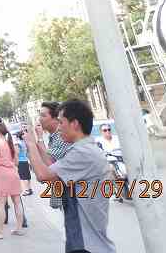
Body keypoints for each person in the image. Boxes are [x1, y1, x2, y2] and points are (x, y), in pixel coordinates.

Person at [23, 99, 117, 253]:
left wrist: (31, 145)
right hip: (84, 241)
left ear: (75, 124)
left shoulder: (82, 152)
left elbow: (43, 175)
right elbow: (52, 168)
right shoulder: (82, 149)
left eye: (61, 122)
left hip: (87, 244)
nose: (59, 127)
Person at [0, 120, 25, 239]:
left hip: (2, 175)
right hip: (13, 173)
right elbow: (16, 162)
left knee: (1, 204)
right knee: (17, 202)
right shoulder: (11, 144)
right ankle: (19, 228)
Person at [33, 101, 70, 209]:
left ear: (56, 118)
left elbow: (49, 165)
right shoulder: (53, 137)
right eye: (39, 115)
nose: (39, 119)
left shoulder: (61, 137)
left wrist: (38, 139)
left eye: (43, 115)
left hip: (69, 195)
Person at [16, 130, 33, 195]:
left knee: (23, 177)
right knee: (27, 176)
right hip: (26, 160)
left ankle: (26, 190)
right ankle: (30, 188)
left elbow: (17, 153)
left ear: (18, 137)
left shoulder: (18, 144)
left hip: (20, 161)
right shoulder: (24, 143)